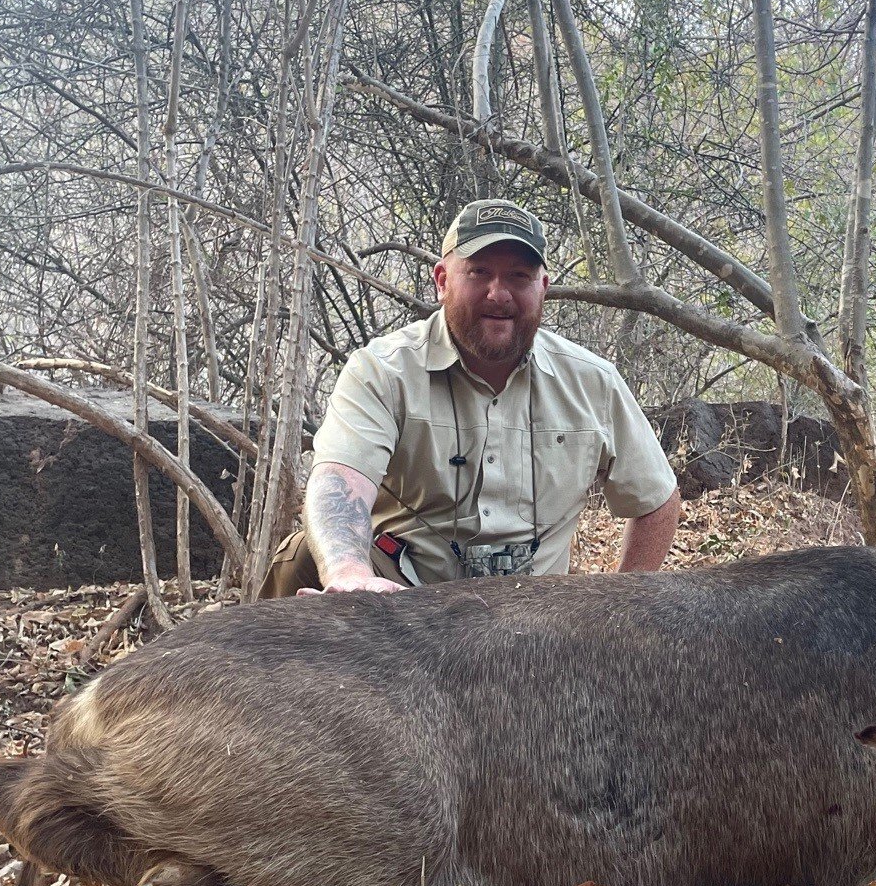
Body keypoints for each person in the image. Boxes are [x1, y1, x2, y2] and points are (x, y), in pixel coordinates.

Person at [264, 198, 681, 596]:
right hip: (400, 597)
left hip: (534, 610)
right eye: (479, 272)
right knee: (299, 558)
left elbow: (656, 501)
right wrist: (349, 573)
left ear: (544, 288)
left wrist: (617, 607)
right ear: (443, 281)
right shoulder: (382, 370)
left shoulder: (594, 382)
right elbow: (340, 481)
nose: (498, 294)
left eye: (519, 276)